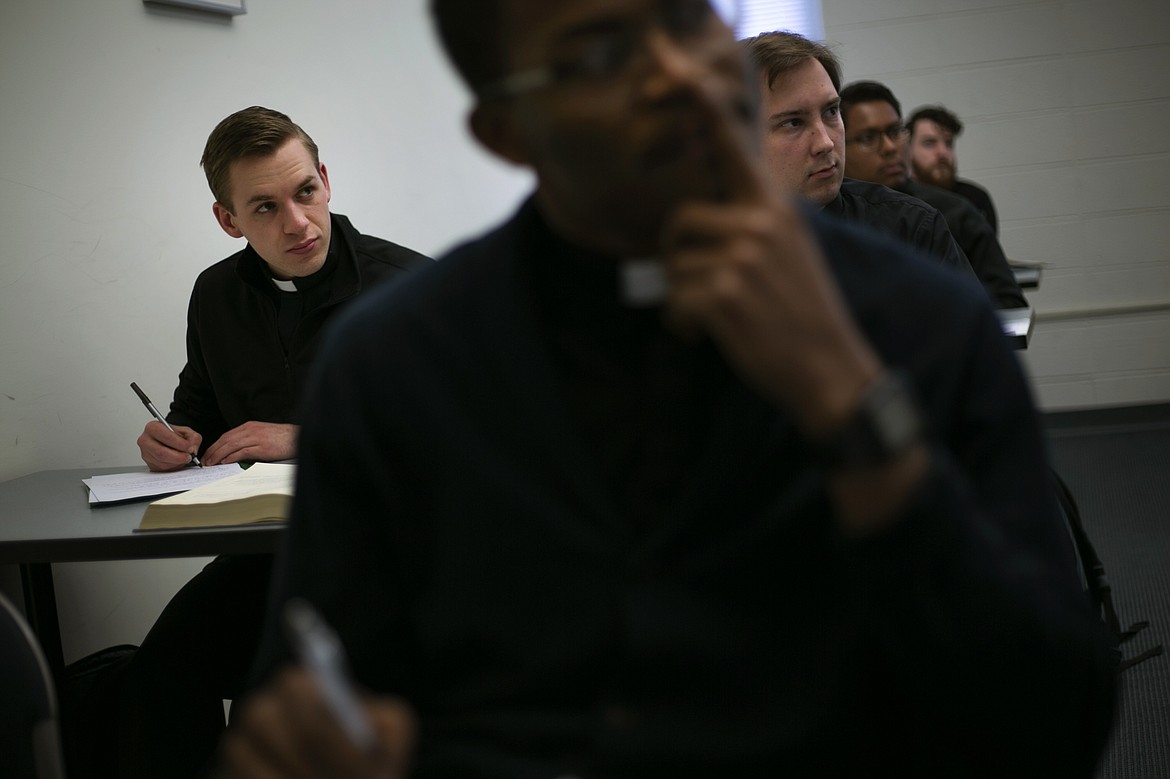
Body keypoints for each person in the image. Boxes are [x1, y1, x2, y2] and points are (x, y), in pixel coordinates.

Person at [219, 2, 1115, 778]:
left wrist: (856, 409)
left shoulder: (915, 317)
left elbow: (1057, 720)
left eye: (686, 18)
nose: (679, 75)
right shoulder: (396, 368)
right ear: (506, 129)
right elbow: (320, 698)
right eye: (600, 56)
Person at [118, 106, 430, 778]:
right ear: (228, 220)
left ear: (324, 179)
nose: (296, 222)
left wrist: (304, 436)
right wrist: (175, 438)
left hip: (392, 566)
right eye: (264, 206)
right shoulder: (215, 296)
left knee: (280, 708)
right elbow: (195, 409)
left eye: (305, 192)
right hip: (264, 561)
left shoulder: (408, 287)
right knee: (157, 677)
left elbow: (464, 434)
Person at [743, 30, 975, 280]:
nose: (825, 142)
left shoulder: (912, 230)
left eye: (831, 111)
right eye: (793, 123)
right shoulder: (703, 257)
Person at [839, 80, 1026, 309]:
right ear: (840, 145)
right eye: (868, 138)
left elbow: (1008, 302)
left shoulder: (953, 213)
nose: (889, 147)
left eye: (894, 131)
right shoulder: (827, 218)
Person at [908, 104, 999, 234]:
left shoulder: (975, 199)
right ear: (908, 150)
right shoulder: (898, 200)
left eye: (948, 143)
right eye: (929, 143)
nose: (943, 152)